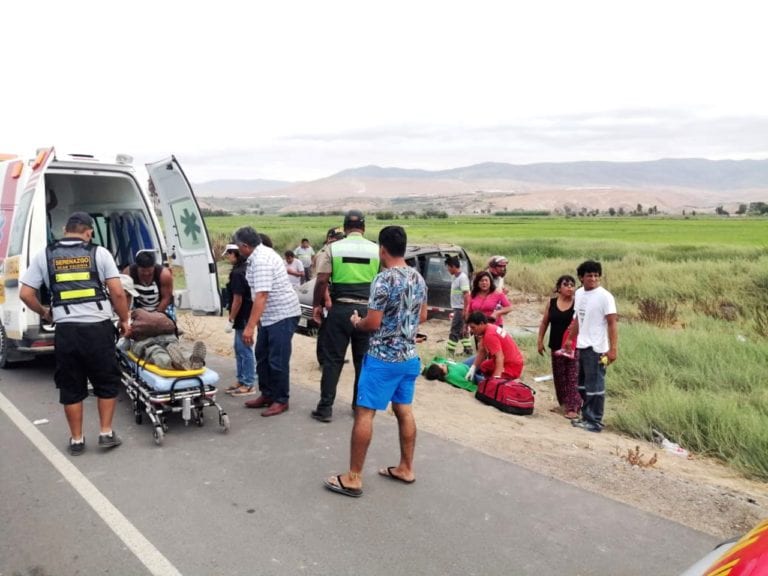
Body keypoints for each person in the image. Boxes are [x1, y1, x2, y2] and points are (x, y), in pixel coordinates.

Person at [323, 225, 428, 497]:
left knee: (365, 412)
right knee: (404, 410)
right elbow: (423, 317)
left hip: (382, 359)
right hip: (408, 357)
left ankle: (353, 477)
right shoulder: (418, 278)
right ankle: (406, 467)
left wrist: (357, 322)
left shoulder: (383, 280)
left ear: (382, 249)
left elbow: (374, 322)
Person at [20, 212, 131, 456]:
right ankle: (105, 433)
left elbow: (26, 294)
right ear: (88, 232)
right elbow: (118, 292)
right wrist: (124, 319)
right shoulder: (99, 253)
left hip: (66, 331)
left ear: (65, 229)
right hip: (97, 330)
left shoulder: (45, 255)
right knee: (106, 380)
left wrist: (45, 312)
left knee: (70, 386)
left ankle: (77, 439)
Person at [310, 210, 379, 423]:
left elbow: (322, 281)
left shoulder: (333, 248)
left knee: (333, 361)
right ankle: (359, 407)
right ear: (364, 228)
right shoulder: (377, 250)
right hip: (366, 311)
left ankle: (325, 408)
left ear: (345, 227)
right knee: (363, 362)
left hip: (340, 310)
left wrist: (316, 306)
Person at [235, 226, 301, 417]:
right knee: (262, 355)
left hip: (282, 314)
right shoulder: (256, 256)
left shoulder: (262, 260)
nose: (238, 251)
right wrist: (257, 321)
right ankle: (268, 394)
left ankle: (281, 400)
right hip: (269, 315)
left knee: (277, 360)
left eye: (239, 247)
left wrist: (249, 327)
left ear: (245, 246)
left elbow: (262, 295)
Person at [567, 260, 618, 433]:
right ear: (581, 278)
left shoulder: (605, 297)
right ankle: (586, 416)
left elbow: (612, 323)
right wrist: (570, 339)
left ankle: (595, 421)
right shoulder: (580, 294)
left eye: (596, 275)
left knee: (595, 386)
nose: (593, 279)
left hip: (597, 348)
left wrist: (613, 349)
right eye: (589, 275)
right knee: (582, 385)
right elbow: (578, 319)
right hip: (582, 345)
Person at [536, 275, 581, 419]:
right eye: (566, 285)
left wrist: (571, 339)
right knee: (559, 376)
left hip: (572, 345)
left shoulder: (577, 303)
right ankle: (563, 404)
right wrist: (540, 340)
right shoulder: (552, 302)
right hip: (555, 343)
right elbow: (545, 322)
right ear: (559, 288)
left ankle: (573, 407)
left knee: (572, 376)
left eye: (572, 285)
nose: (570, 288)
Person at [222, 244, 256, 396]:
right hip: (245, 314)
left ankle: (248, 383)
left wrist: (231, 319)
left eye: (228, 254)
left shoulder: (237, 273)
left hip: (243, 316)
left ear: (233, 254)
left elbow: (238, 299)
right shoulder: (244, 268)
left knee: (245, 349)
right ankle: (241, 380)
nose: (227, 258)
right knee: (238, 348)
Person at [466, 312, 524, 382]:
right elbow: (482, 351)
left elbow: (499, 357)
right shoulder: (489, 327)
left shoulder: (490, 335)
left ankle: (489, 384)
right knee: (484, 366)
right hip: (510, 360)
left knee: (492, 385)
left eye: (473, 327)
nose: (472, 331)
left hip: (511, 365)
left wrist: (496, 378)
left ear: (481, 324)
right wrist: (473, 368)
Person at [124, 250, 175, 320]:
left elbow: (166, 298)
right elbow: (126, 297)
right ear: (137, 267)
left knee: (165, 325)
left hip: (162, 306)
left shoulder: (164, 274)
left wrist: (154, 317)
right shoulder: (128, 273)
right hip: (139, 308)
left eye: (150, 272)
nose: (146, 274)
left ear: (154, 266)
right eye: (143, 272)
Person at [445, 255, 473, 356]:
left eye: (448, 267)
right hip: (457, 308)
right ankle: (468, 350)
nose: (447, 269)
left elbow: (466, 295)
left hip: (460, 309)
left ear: (453, 266)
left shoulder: (462, 278)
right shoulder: (455, 277)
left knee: (454, 330)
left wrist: (465, 310)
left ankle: (450, 352)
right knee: (463, 330)